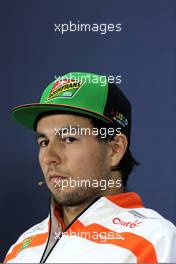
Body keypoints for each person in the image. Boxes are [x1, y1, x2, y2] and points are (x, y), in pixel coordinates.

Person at [4, 72, 176, 263]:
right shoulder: (21, 248)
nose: (49, 157)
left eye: (69, 139)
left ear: (114, 149)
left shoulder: (157, 241)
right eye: (44, 142)